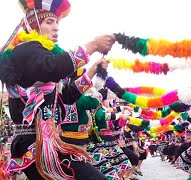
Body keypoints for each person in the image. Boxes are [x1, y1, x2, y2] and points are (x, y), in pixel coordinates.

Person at [0, 0, 115, 179]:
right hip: (34, 146)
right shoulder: (26, 50)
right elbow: (53, 67)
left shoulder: (38, 56)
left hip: (49, 143)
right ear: (33, 24)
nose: (56, 28)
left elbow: (67, 96)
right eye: (49, 22)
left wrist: (92, 71)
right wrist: (92, 45)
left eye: (57, 23)